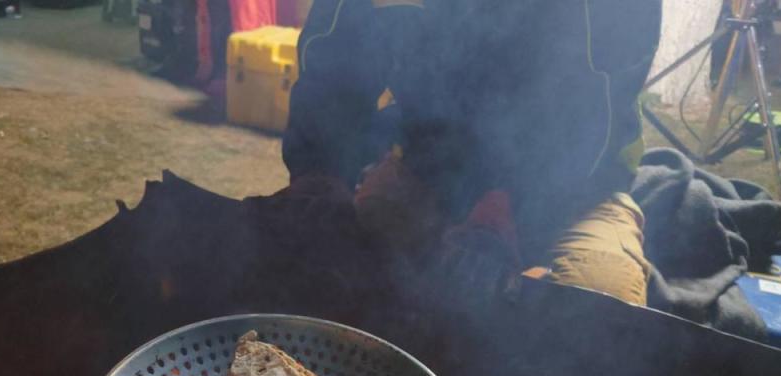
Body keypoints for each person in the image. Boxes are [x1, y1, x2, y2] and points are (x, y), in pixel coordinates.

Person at [282, 0, 663, 305]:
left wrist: (510, 198)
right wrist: (319, 174)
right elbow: (335, 66)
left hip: (574, 194)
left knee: (599, 310)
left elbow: (596, 113)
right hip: (430, 175)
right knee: (333, 271)